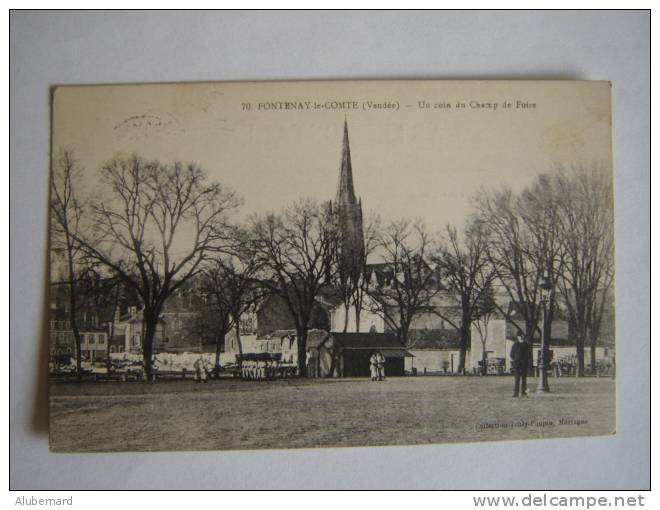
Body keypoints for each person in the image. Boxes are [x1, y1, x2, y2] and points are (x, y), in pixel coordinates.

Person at [510, 333, 530, 397]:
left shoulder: (526, 345)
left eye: (521, 336)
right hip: (517, 364)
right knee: (517, 379)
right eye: (519, 336)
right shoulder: (515, 344)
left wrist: (525, 360)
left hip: (524, 364)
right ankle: (516, 393)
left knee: (524, 379)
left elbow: (529, 354)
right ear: (517, 337)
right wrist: (516, 359)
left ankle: (523, 393)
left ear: (523, 337)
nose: (521, 337)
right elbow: (511, 354)